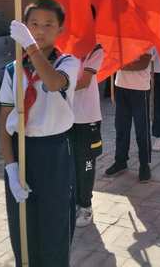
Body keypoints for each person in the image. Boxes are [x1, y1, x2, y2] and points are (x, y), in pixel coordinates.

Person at [0, 0, 80, 267]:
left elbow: (54, 83)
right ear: (24, 27)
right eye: (33, 24)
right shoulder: (13, 70)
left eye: (48, 25)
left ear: (60, 30)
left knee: (55, 226)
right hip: (22, 152)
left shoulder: (68, 63)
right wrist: (11, 168)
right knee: (23, 229)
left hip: (55, 152)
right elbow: (3, 121)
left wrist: (30, 46)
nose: (40, 30)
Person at [105, 50, 153, 183]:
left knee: (142, 130)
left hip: (140, 89)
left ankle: (144, 165)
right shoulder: (119, 35)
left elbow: (143, 64)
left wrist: (119, 65)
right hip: (121, 86)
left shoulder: (147, 38)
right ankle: (120, 161)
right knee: (121, 128)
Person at [71, 42, 104, 228]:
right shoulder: (66, 48)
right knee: (70, 162)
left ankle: (85, 205)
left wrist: (55, 86)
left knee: (86, 163)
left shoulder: (96, 50)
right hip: (67, 117)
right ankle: (74, 201)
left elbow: (84, 81)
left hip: (87, 117)